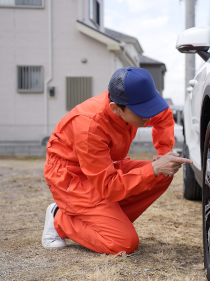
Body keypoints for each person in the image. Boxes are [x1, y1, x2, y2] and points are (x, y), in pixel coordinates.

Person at [41, 67, 192, 255]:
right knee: (123, 243)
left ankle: (106, 220)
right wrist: (152, 168)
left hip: (100, 169)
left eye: (150, 106)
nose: (148, 116)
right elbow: (108, 187)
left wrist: (163, 154)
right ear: (115, 108)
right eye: (142, 112)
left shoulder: (132, 103)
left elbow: (164, 116)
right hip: (71, 177)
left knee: (163, 173)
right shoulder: (90, 126)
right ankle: (60, 219)